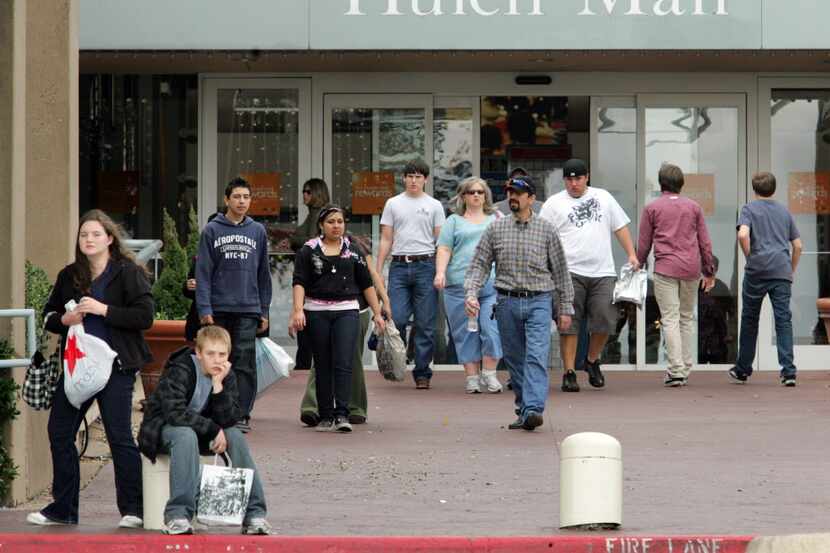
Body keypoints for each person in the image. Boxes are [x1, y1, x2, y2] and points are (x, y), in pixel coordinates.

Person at [28, 209, 153, 528]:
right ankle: (63, 508)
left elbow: (144, 317)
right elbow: (48, 316)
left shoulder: (127, 272)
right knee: (59, 430)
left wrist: (104, 309)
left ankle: (134, 509)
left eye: (96, 234)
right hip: (78, 368)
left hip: (116, 366)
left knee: (119, 435)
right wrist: (64, 320)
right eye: (84, 234)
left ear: (109, 239)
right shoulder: (69, 275)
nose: (89, 239)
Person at [138, 325, 271, 535]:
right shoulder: (180, 369)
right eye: (210, 354)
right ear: (199, 353)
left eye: (222, 354)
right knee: (185, 434)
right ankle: (178, 516)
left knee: (235, 435)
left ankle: (255, 515)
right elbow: (174, 413)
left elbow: (229, 419)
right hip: (162, 431)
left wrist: (218, 387)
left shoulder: (227, 375)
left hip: (200, 434)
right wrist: (213, 428)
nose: (217, 360)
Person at [465, 176, 574, 431]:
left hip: (539, 301)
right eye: (510, 192)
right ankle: (525, 410)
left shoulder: (546, 230)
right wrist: (471, 293)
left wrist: (565, 307)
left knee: (536, 356)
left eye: (519, 193)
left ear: (531, 199)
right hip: (506, 302)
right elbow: (480, 263)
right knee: (514, 359)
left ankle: (534, 408)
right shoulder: (496, 228)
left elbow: (560, 271)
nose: (513, 197)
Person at [540, 158, 639, 393]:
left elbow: (620, 227)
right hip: (568, 271)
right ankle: (569, 372)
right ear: (564, 180)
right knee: (569, 324)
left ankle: (592, 360)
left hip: (603, 270)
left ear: (587, 178)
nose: (574, 183)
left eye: (578, 178)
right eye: (569, 179)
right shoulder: (554, 204)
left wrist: (632, 254)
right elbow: (541, 235)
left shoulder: (603, 197)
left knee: (605, 319)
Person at [290, 206, 386, 432]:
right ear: (321, 225)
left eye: (340, 222)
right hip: (316, 311)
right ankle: (326, 415)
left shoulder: (353, 251)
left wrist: (377, 313)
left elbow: (366, 284)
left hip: (347, 311)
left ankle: (343, 414)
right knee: (323, 364)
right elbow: (299, 282)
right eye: (331, 222)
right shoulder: (308, 250)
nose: (336, 226)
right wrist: (297, 310)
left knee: (344, 362)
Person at [196, 177, 272, 433]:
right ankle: (217, 410)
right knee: (214, 361)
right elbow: (203, 272)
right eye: (237, 197)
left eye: (246, 197)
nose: (242, 202)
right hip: (218, 308)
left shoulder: (258, 231)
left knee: (244, 363)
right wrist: (204, 308)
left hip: (248, 308)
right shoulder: (212, 230)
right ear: (227, 199)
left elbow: (264, 274)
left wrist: (264, 310)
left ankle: (240, 413)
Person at [637, 163, 716, 387]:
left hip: (665, 269)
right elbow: (705, 242)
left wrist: (639, 264)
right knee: (686, 317)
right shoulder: (694, 207)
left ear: (662, 183)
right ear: (681, 183)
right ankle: (686, 366)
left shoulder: (652, 208)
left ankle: (676, 369)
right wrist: (708, 270)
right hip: (691, 269)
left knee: (670, 318)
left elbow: (644, 243)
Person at [376, 159, 446, 389]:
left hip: (425, 264)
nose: (413, 180)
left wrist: (440, 270)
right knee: (397, 318)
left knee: (426, 323)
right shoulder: (393, 203)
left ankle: (423, 372)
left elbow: (440, 241)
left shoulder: (435, 205)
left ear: (425, 179)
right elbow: (387, 238)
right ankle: (397, 360)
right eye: (410, 176)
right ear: (404, 178)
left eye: (418, 176)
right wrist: (378, 270)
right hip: (398, 266)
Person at [729, 172, 802, 386]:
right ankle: (788, 372)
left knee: (750, 319)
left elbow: (743, 234)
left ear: (754, 189)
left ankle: (743, 369)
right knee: (783, 320)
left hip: (757, 271)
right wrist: (791, 269)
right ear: (774, 189)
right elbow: (798, 246)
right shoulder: (784, 212)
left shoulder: (749, 209)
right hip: (781, 270)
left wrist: (749, 255)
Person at [434, 177, 503, 394]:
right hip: (458, 285)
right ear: (463, 196)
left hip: (490, 284)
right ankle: (472, 377)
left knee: (491, 330)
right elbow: (444, 249)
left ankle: (490, 374)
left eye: (480, 192)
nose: (476, 195)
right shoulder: (453, 221)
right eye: (471, 192)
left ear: (486, 196)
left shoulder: (496, 219)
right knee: (465, 333)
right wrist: (440, 273)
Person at [289, 179, 331, 373]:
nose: (304, 195)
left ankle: (304, 364)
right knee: (305, 317)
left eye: (307, 191)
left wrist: (294, 239)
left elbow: (309, 239)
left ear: (316, 193)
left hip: (315, 276)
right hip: (311, 274)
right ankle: (305, 363)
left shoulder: (321, 214)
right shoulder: (313, 214)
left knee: (308, 319)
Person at [698, 256, 737, 364]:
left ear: (716, 269)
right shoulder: (696, 287)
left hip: (718, 337)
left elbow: (732, 311)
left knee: (719, 366)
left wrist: (730, 332)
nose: (709, 269)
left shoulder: (722, 288)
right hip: (699, 337)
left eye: (712, 266)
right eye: (706, 266)